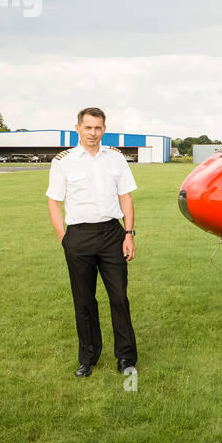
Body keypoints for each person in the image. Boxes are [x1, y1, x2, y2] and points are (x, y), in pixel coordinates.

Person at [46, 107, 139, 378]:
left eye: (98, 128)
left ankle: (126, 358)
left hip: (112, 234)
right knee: (84, 301)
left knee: (119, 298)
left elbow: (125, 197)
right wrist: (64, 239)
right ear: (78, 128)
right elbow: (54, 202)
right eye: (88, 127)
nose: (93, 133)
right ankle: (88, 359)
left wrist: (129, 233)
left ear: (104, 129)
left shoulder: (116, 158)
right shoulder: (63, 161)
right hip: (78, 235)